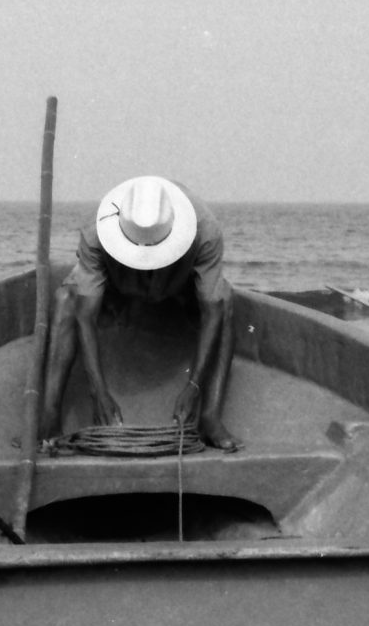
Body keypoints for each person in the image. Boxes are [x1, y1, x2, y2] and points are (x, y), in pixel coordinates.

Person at [39, 175, 238, 451]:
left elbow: (212, 313)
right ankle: (49, 419)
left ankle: (210, 418)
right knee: (65, 299)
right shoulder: (94, 230)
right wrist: (98, 390)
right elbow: (85, 315)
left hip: (178, 291)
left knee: (224, 301)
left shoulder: (206, 229)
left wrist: (194, 386)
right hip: (117, 291)